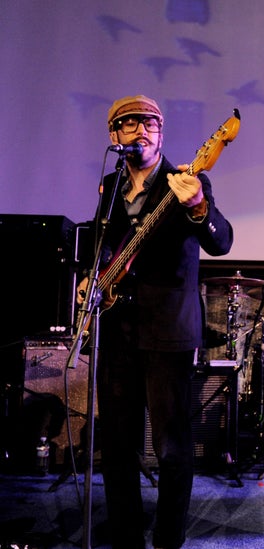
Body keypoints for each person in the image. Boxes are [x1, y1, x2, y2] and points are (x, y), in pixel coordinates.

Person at [76, 95, 233, 549]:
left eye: (149, 123)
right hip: (115, 330)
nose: (140, 130)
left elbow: (221, 241)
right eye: (129, 124)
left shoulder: (185, 180)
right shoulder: (109, 186)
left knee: (170, 446)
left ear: (161, 133)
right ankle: (126, 536)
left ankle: (168, 539)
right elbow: (103, 246)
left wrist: (200, 205)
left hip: (168, 331)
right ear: (115, 136)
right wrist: (93, 277)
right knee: (118, 445)